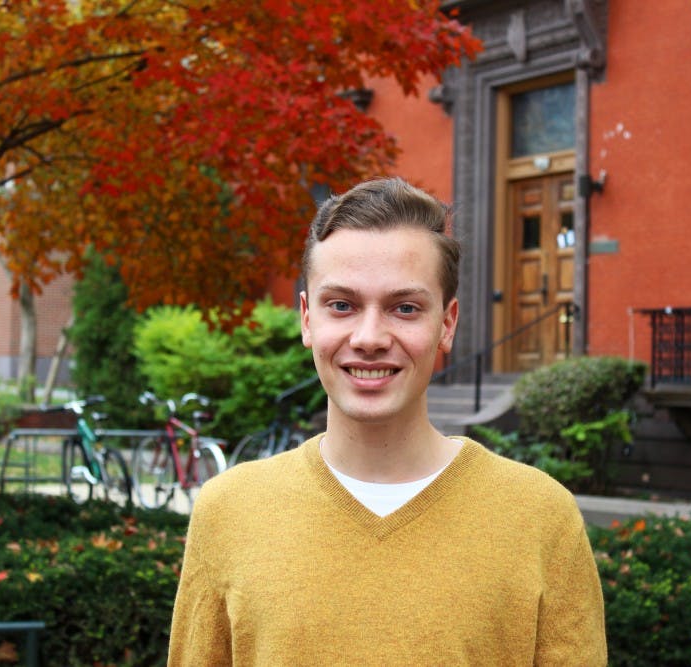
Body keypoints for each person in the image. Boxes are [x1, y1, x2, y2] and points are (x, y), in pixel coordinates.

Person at [167, 177, 607, 665]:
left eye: (404, 308)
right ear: (308, 320)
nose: (370, 337)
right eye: (342, 305)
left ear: (447, 323)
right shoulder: (228, 511)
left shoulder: (541, 517)